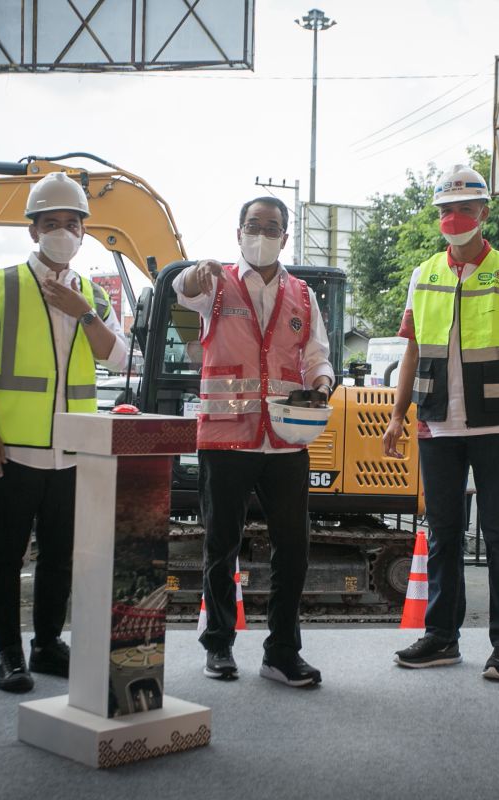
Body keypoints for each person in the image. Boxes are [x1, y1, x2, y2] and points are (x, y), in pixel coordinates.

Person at [0, 171, 125, 693]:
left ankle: (48, 644)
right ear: (33, 230)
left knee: (59, 555)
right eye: (51, 223)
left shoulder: (92, 292)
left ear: (83, 232)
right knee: (6, 556)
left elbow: (117, 356)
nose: (62, 231)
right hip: (13, 450)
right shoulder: (3, 284)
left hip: (72, 449)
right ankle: (8, 652)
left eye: (72, 223)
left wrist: (84, 315)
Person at [383, 164, 499, 682]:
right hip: (437, 424)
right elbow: (411, 352)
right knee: (444, 535)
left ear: (484, 213)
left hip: (497, 425)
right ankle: (442, 638)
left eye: (465, 209)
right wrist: (396, 415)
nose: (454, 218)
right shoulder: (423, 273)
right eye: (446, 210)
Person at [174, 196, 335, 688]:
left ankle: (282, 651)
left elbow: (317, 355)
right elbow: (182, 292)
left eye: (271, 226)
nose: (261, 233)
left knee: (295, 548)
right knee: (221, 545)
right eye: (253, 225)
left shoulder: (303, 296)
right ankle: (219, 646)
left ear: (286, 236)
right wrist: (190, 275)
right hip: (227, 439)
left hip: (286, 439)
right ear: (238, 231)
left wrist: (323, 382)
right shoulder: (213, 283)